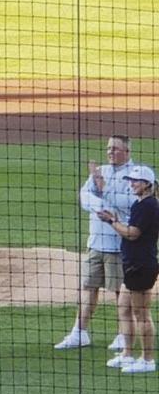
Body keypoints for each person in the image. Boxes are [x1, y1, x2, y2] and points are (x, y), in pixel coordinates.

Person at [56, 135, 135, 351]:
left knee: (120, 291)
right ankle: (79, 332)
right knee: (88, 287)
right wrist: (99, 206)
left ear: (126, 152)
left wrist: (103, 191)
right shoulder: (100, 171)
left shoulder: (136, 175)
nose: (110, 152)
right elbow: (84, 197)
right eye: (108, 148)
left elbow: (131, 203)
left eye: (115, 148)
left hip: (119, 244)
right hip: (96, 241)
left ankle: (122, 334)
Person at [98, 164, 159, 374]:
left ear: (147, 184)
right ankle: (127, 354)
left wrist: (112, 221)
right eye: (130, 181)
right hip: (133, 264)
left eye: (135, 181)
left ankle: (148, 360)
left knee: (142, 313)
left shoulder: (148, 206)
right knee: (124, 307)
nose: (131, 184)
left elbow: (132, 233)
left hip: (141, 266)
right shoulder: (140, 204)